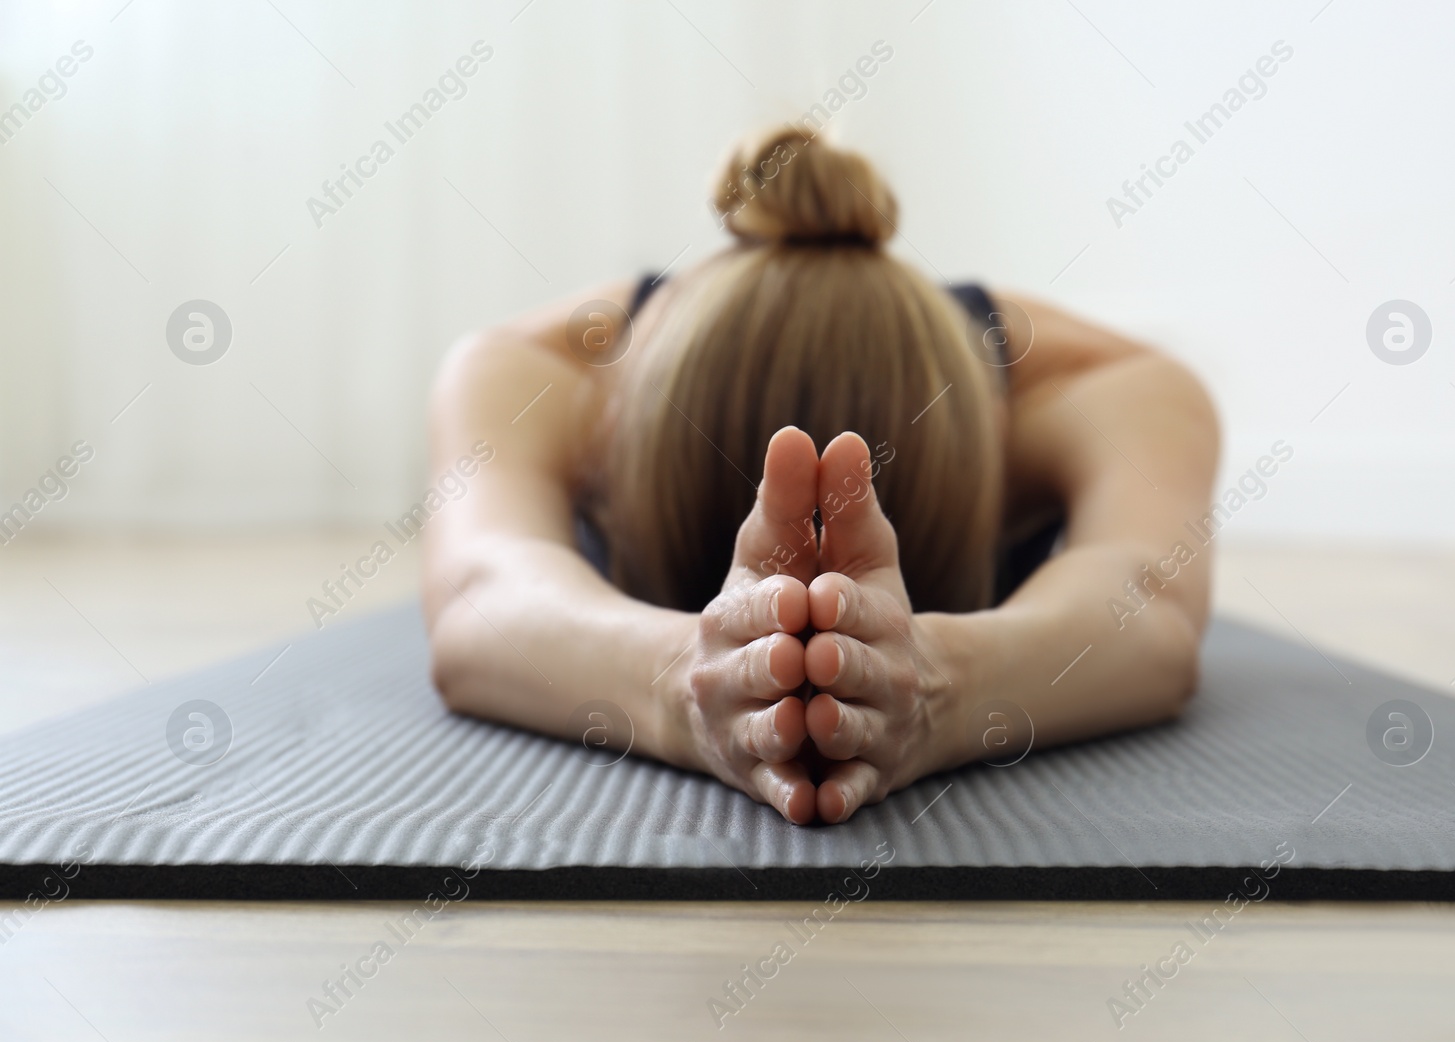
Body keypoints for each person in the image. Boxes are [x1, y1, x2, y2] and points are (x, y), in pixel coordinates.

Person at [422, 126, 1219, 825]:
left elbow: (1150, 603)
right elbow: (482, 598)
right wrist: (687, 686)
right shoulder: (540, 373)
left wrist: (940, 685)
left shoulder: (1099, 388)